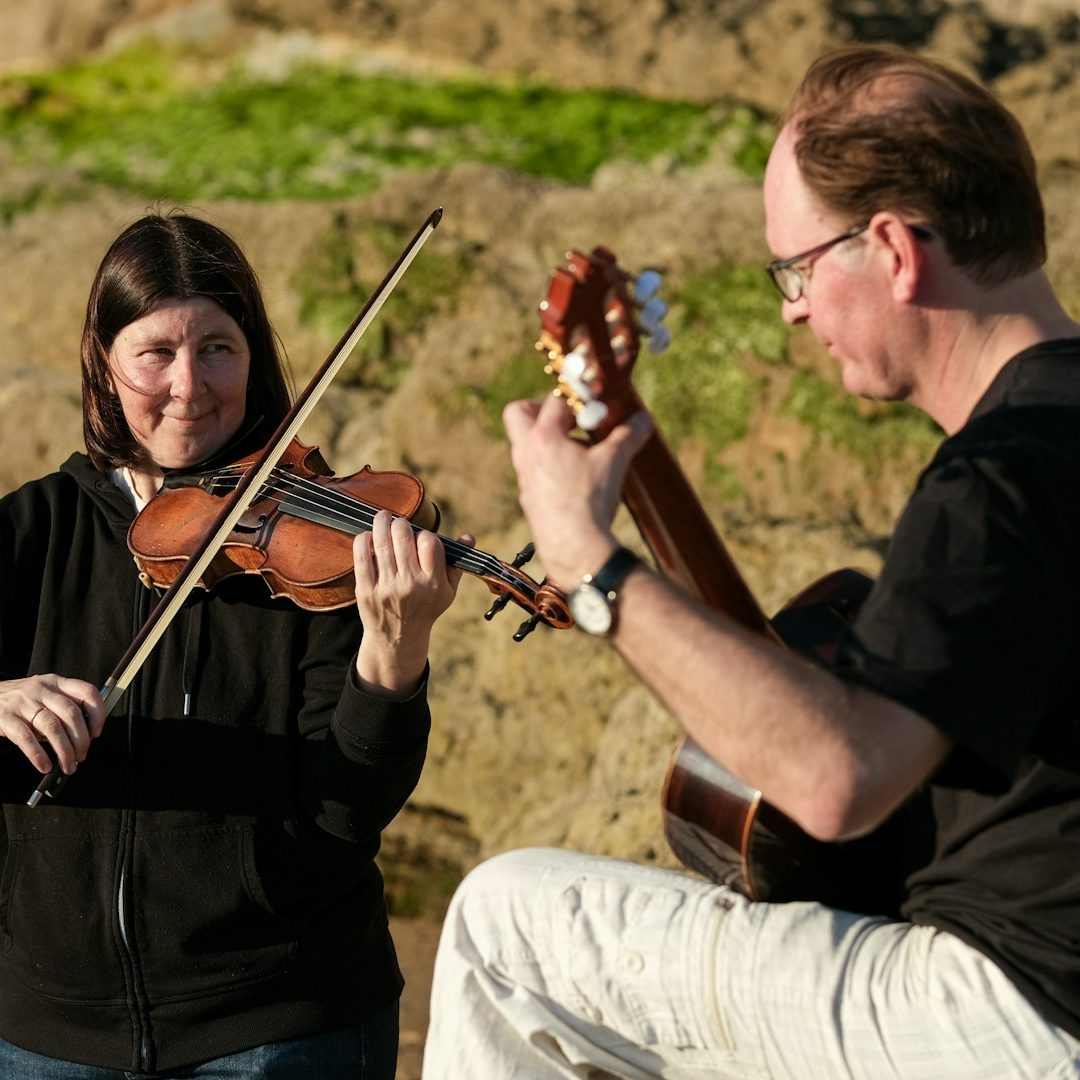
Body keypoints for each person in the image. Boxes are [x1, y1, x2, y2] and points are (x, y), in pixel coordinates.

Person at [421, 44, 1080, 1079]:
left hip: (1011, 1012)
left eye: (800, 268)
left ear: (897, 251)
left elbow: (836, 778)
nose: (793, 309)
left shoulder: (996, 480)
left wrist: (588, 556)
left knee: (507, 929)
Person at [0, 210, 464, 1078]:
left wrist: (393, 662)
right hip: (46, 1037)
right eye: (156, 353)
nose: (189, 386)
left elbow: (349, 812)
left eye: (218, 348)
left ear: (255, 361)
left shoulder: (318, 536)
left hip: (282, 1026)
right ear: (105, 364)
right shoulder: (34, 530)